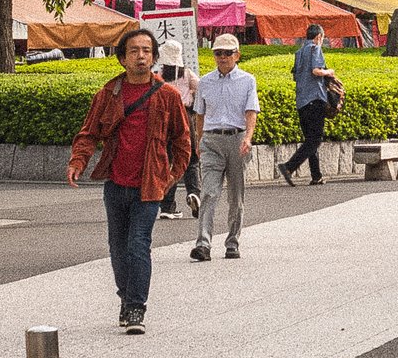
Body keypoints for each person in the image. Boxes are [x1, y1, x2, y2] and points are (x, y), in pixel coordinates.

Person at [65, 26, 192, 333]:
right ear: (122, 59)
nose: (140, 57)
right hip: (115, 184)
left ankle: (136, 307)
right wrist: (77, 161)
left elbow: (183, 142)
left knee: (138, 245)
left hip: (150, 186)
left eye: (146, 51)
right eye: (134, 51)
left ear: (155, 57)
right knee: (117, 248)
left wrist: (171, 178)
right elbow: (89, 133)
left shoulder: (168, 96)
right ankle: (126, 297)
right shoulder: (108, 94)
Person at [189, 32, 259, 263]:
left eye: (227, 53)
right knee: (209, 192)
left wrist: (248, 138)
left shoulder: (247, 80)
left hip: (237, 139)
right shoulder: (205, 82)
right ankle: (203, 244)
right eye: (218, 53)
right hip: (211, 140)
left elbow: (251, 112)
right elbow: (200, 114)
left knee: (236, 195)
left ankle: (232, 242)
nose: (222, 57)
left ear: (237, 55)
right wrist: (200, 140)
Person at [277, 22, 337, 186]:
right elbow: (316, 71)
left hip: (302, 101)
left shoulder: (299, 53)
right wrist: (329, 72)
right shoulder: (315, 49)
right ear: (318, 37)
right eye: (322, 38)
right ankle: (289, 167)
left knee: (310, 139)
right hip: (315, 99)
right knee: (315, 139)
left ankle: (316, 176)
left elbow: (296, 76)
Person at [154, 38, 200, 220]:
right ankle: (194, 192)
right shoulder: (187, 74)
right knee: (191, 158)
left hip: (163, 120)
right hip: (185, 117)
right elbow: (203, 89)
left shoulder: (157, 75)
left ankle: (167, 205)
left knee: (168, 160)